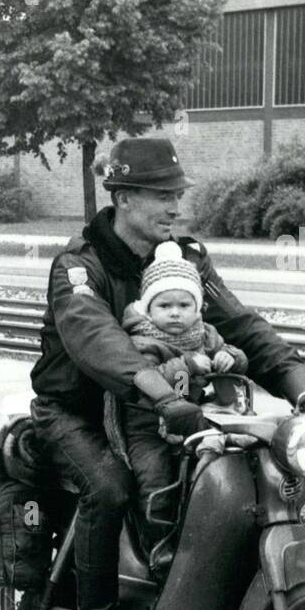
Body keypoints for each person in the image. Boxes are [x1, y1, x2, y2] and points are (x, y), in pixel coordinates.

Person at [30, 136, 305, 610]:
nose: (174, 206)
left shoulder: (185, 261)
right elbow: (99, 342)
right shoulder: (80, 266)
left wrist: (304, 387)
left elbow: (240, 324)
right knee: (109, 486)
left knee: (228, 480)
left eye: (177, 194)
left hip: (170, 411)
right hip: (77, 411)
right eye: (160, 195)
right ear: (123, 197)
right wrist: (160, 393)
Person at [113, 241, 247, 574]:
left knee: (220, 472)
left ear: (198, 308)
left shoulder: (204, 333)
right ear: (148, 309)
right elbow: (146, 377)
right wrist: (186, 365)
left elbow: (239, 357)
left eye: (185, 304)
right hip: (148, 425)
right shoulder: (143, 340)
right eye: (165, 305)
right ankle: (157, 545)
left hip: (192, 419)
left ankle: (210, 538)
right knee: (156, 481)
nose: (176, 313)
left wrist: (231, 358)